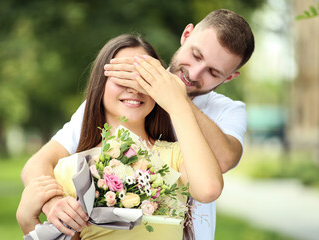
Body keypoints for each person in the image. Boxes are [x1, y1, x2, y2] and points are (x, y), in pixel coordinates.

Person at [21, 9, 254, 239]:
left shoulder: (226, 111)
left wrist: (174, 96)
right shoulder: (116, 107)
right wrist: (50, 204)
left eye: (213, 72)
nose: (194, 73)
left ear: (229, 77)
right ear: (186, 35)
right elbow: (38, 165)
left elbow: (220, 164)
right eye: (196, 55)